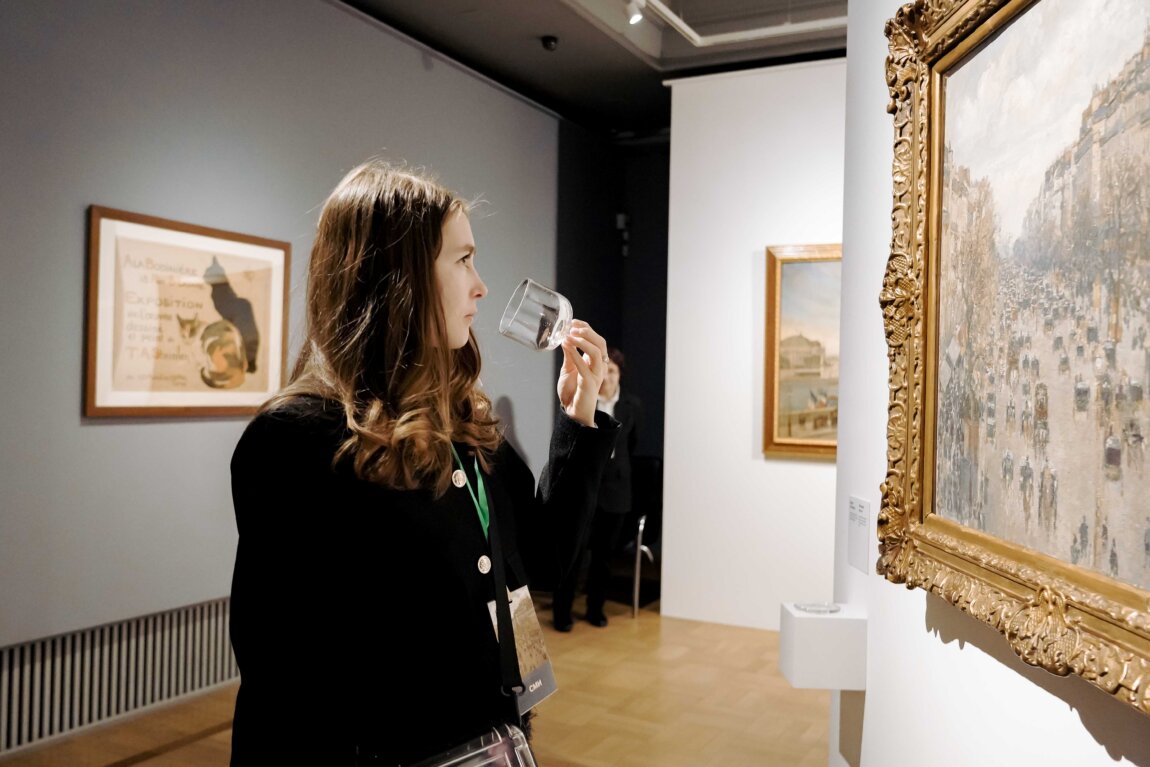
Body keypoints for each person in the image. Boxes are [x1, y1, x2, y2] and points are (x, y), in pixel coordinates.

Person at [227, 159, 619, 765]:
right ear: (397, 278)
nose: (481, 286)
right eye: (462, 260)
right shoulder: (296, 440)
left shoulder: (460, 418)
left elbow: (545, 557)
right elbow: (281, 678)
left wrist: (579, 419)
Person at [551, 347, 642, 630]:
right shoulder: (585, 398)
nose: (608, 377)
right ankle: (562, 612)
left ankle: (595, 609)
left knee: (603, 557)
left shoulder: (632, 406)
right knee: (574, 554)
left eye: (612, 371)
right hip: (585, 487)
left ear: (620, 375)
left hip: (616, 490)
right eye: (604, 371)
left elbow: (632, 444)